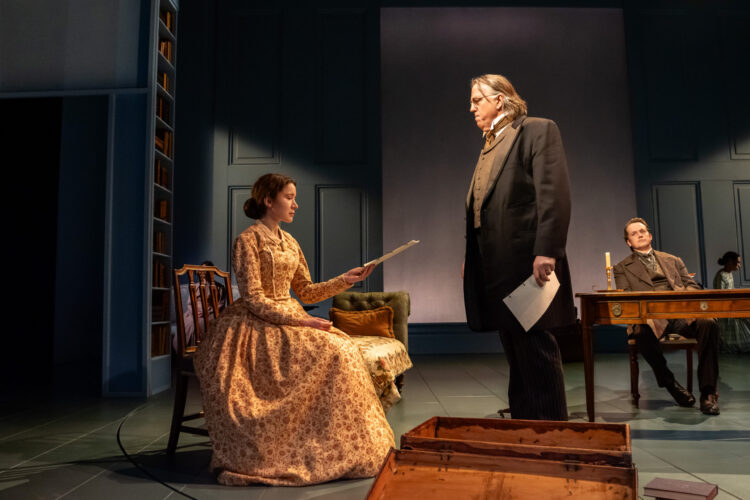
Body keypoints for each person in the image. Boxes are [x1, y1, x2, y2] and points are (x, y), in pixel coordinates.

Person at [194, 173, 394, 486]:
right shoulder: (248, 240)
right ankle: (291, 446)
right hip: (256, 322)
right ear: (268, 200)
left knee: (343, 348)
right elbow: (254, 298)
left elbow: (306, 291)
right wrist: (303, 321)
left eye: (294, 198)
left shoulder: (290, 241)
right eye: (289, 197)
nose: (295, 204)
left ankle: (332, 445)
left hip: (290, 314)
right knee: (332, 351)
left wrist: (346, 279)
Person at [463, 74, 576, 421]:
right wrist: (472, 258)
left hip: (527, 263)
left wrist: (547, 250)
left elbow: (553, 195)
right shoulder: (488, 144)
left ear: (499, 99)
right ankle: (524, 426)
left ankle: (551, 434)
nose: (471, 108)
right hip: (496, 265)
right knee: (515, 349)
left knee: (535, 348)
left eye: (476, 100)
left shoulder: (537, 130)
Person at [613, 217, 720, 415]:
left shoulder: (673, 260)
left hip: (680, 314)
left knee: (708, 322)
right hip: (651, 317)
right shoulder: (621, 268)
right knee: (640, 331)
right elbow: (626, 297)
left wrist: (681, 299)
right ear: (629, 242)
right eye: (634, 233)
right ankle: (669, 383)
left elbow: (692, 286)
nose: (640, 235)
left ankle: (708, 393)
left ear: (650, 235)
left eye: (642, 231)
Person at [172, 260, 228, 353]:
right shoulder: (195, 286)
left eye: (207, 270)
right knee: (190, 324)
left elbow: (221, 304)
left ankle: (203, 350)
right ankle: (186, 350)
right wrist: (195, 312)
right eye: (202, 270)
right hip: (195, 312)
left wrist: (207, 312)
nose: (204, 273)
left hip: (211, 313)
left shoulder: (220, 287)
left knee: (203, 323)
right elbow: (190, 303)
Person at [713, 251, 750, 353]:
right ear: (729, 262)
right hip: (725, 309)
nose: (739, 266)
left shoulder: (729, 274)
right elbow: (720, 296)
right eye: (737, 263)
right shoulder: (721, 275)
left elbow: (731, 291)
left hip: (731, 305)